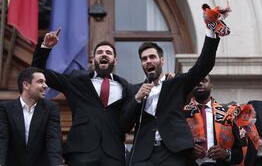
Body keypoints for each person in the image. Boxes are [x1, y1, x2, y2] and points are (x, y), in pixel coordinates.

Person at [31, 30, 134, 166]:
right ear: (93, 59)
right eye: (100, 52)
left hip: (114, 155)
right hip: (81, 153)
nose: (104, 54)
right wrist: (45, 47)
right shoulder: (77, 80)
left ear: (115, 60)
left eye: (108, 53)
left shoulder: (127, 87)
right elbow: (38, 73)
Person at [126, 30, 222, 166]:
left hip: (173, 153)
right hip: (143, 156)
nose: (148, 61)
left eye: (152, 57)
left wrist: (211, 33)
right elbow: (124, 124)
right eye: (144, 59)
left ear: (162, 60)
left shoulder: (176, 83)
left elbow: (203, 66)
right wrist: (137, 99)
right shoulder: (135, 90)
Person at [0, 67, 62, 166]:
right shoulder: (5, 108)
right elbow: (2, 138)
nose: (45, 86)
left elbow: (53, 138)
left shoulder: (51, 108)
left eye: (45, 82)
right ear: (26, 85)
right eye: (40, 81)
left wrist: (57, 164)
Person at [183, 75, 246, 166]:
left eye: (204, 81)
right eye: (196, 81)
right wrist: (188, 151)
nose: (200, 83)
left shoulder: (226, 114)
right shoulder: (182, 113)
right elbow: (172, 145)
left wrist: (226, 154)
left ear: (211, 85)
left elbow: (239, 154)